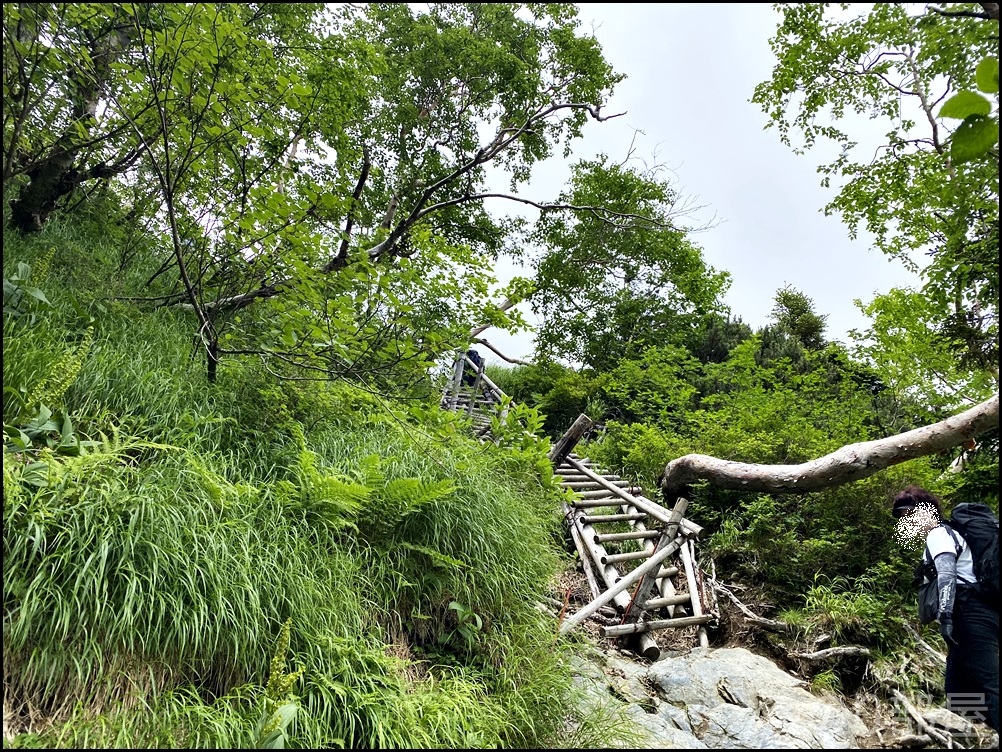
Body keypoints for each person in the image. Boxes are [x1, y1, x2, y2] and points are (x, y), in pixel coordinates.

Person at [892, 485, 999, 734]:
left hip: (969, 612)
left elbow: (947, 574)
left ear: (926, 510)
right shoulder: (952, 533)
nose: (906, 522)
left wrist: (947, 616)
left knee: (989, 680)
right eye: (902, 518)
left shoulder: (939, 533)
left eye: (909, 514)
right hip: (978, 611)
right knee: (957, 682)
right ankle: (969, 734)